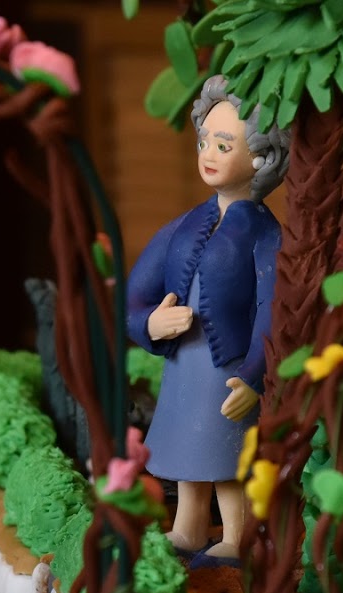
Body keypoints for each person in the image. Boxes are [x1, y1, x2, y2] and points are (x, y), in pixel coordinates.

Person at [126, 76, 289, 558]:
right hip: (184, 364)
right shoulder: (186, 224)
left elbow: (274, 307)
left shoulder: (264, 234)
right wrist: (150, 324)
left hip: (229, 370)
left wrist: (254, 377)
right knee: (187, 447)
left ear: (260, 158)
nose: (208, 154)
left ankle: (237, 536)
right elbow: (136, 293)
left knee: (226, 454)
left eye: (224, 145)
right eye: (204, 142)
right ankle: (189, 528)